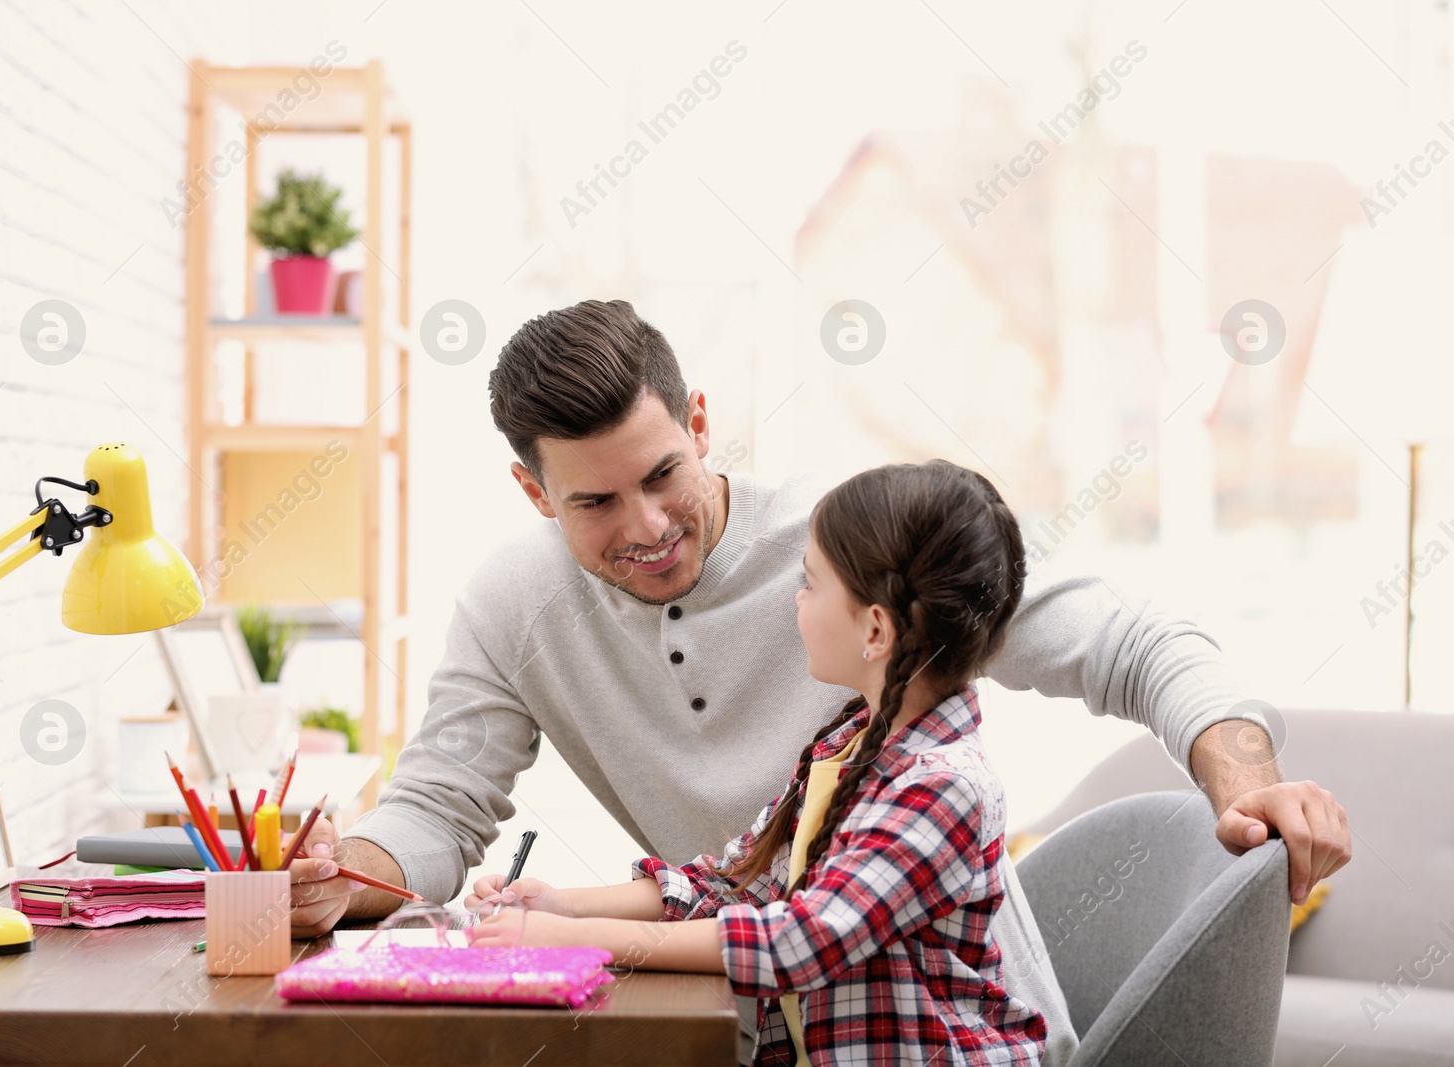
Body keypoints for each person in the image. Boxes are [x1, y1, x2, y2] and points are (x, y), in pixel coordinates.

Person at [285, 299, 1351, 1065]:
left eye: (663, 474)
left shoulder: (857, 544)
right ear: (532, 489)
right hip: (748, 1030)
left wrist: (1241, 770)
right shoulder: (516, 604)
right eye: (595, 503)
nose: (648, 527)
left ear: (698, 422)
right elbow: (442, 803)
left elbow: (1129, 640)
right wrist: (341, 879)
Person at [464, 459, 1048, 1066]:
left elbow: (800, 941)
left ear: (875, 630)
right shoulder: (849, 745)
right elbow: (738, 882)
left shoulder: (941, 788)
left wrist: (572, 941)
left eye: (812, 583)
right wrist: (564, 906)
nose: (797, 598)